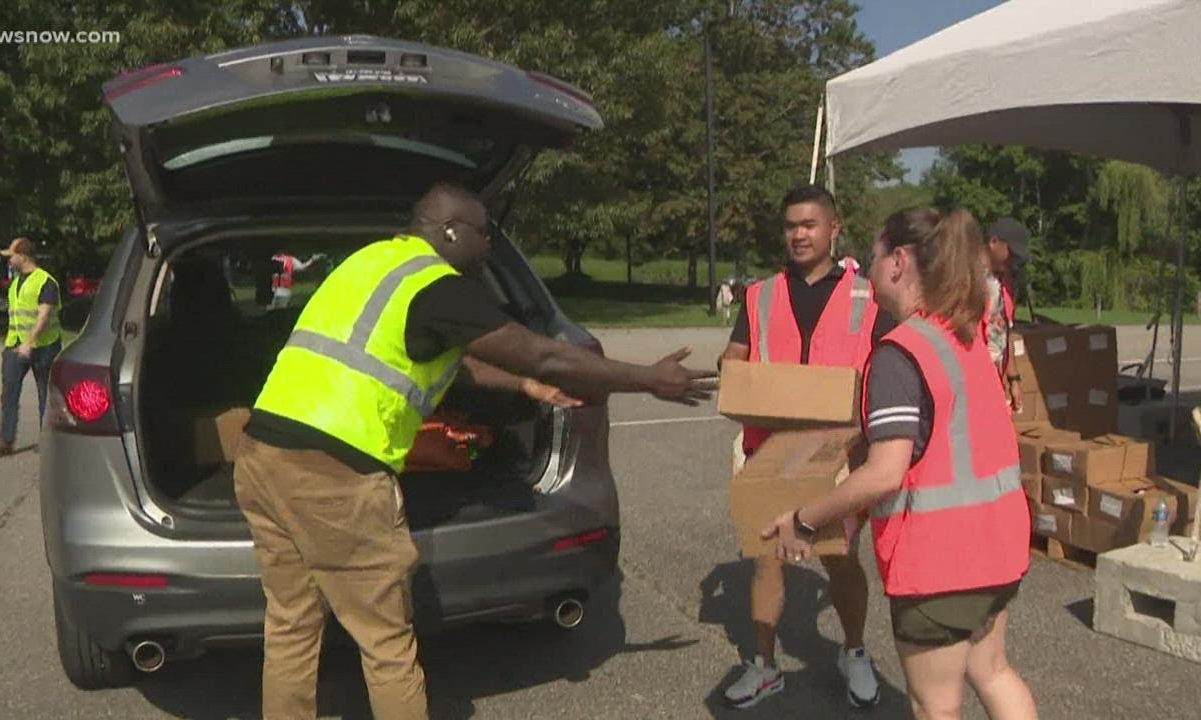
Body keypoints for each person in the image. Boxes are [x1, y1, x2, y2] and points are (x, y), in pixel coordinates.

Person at [233, 183, 715, 720]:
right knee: (386, 643)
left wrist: (525, 389)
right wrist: (648, 378)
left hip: (261, 457)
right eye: (484, 233)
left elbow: (447, 358)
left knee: (291, 625)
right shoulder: (440, 287)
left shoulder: (370, 262)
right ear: (451, 232)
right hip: (333, 477)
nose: (489, 245)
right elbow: (545, 354)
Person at [764, 207, 1037, 720]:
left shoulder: (899, 352)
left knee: (935, 706)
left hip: (942, 563)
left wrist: (805, 518)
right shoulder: (965, 332)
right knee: (994, 672)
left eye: (872, 256)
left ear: (899, 261)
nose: (866, 269)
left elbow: (886, 472)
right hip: (998, 546)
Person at [715, 185, 895, 711]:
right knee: (767, 558)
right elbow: (736, 352)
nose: (799, 234)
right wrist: (730, 368)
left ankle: (854, 651)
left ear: (834, 229)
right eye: (791, 225)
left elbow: (888, 365)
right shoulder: (759, 295)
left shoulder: (870, 295)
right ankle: (764, 665)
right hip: (768, 448)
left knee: (840, 559)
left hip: (839, 454)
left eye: (810, 224)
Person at [0, 237, 63, 457]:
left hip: (44, 346)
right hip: (15, 345)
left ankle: (47, 440)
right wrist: (16, 343)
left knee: (45, 395)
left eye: (12, 256)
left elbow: (44, 316)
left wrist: (29, 342)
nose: (9, 260)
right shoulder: (17, 282)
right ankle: (5, 441)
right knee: (9, 393)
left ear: (23, 256)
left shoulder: (46, 282)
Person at [981, 217, 1030, 410]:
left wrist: (1014, 379)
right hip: (972, 378)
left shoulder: (1005, 283)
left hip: (995, 380)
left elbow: (1004, 332)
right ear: (993, 242)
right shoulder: (967, 279)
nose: (1013, 260)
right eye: (1011, 253)